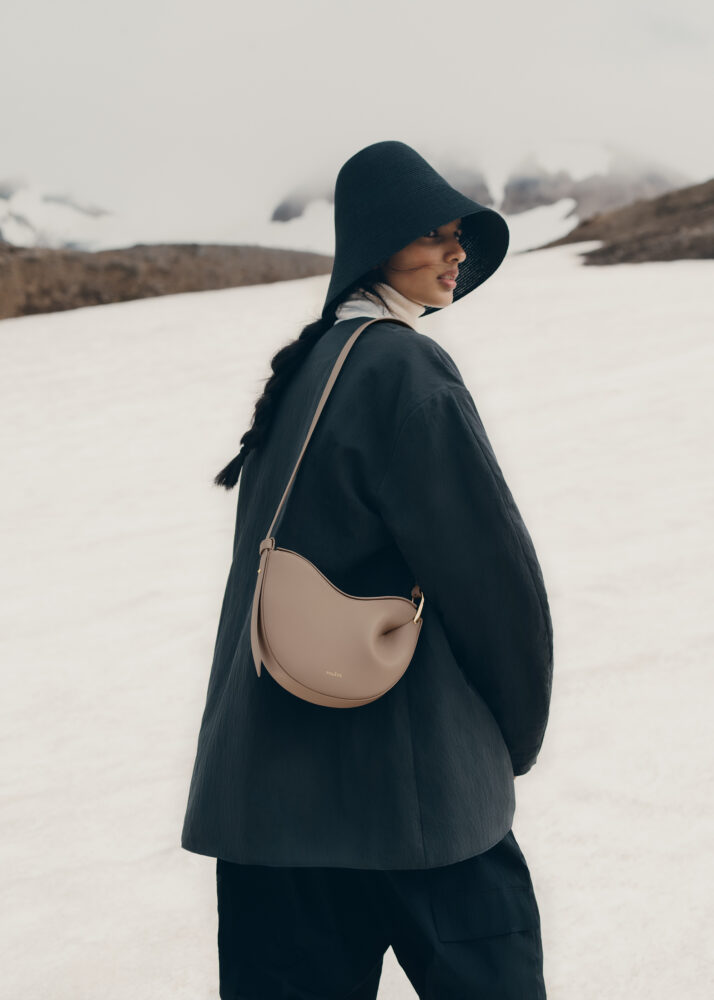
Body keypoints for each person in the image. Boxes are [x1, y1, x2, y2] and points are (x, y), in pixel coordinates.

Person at [181, 140, 554, 999]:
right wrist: (510, 738)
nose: (457, 252)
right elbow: (493, 581)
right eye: (434, 233)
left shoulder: (305, 371)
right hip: (414, 803)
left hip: (269, 812)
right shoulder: (402, 368)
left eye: (459, 234)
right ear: (378, 240)